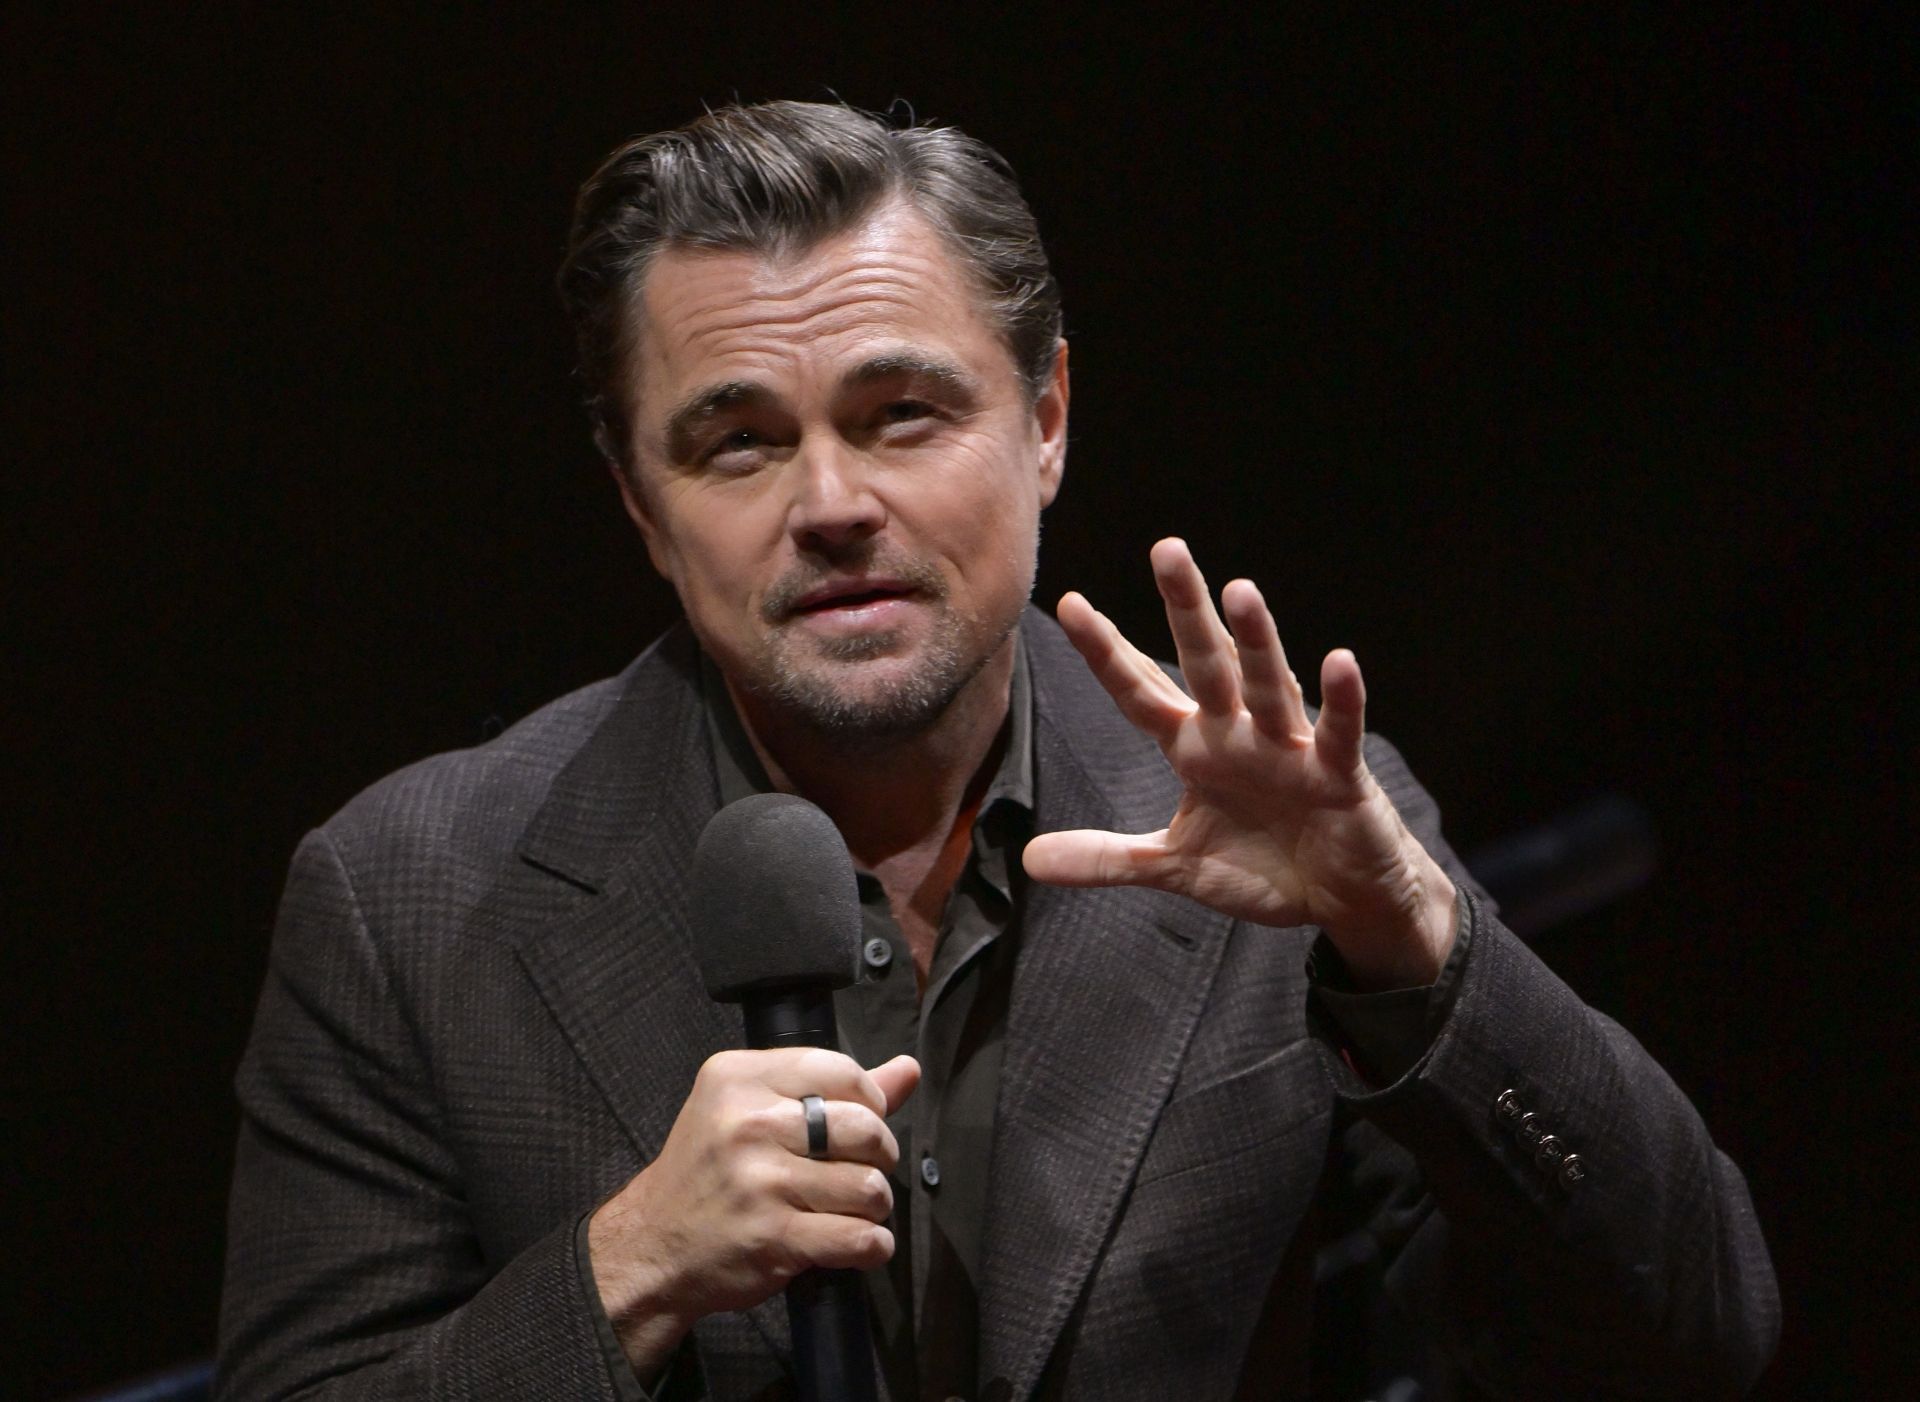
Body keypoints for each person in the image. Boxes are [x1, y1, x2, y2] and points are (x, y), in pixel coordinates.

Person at [217, 101, 1778, 1401]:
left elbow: (1696, 1331)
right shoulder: (406, 897)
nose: (830, 502)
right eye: (739, 440)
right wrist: (628, 1265)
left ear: (1046, 420)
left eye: (902, 413)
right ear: (641, 503)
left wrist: (1415, 943)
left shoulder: (1260, 793)